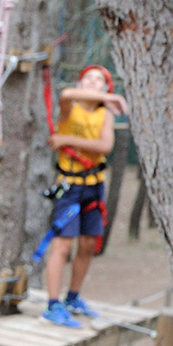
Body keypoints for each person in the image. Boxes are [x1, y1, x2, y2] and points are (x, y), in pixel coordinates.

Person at [41, 64, 129, 328]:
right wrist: (112, 97)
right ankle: (53, 304)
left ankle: (73, 297)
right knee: (63, 245)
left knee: (88, 244)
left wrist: (67, 140)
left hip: (94, 186)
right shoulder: (71, 108)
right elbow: (66, 95)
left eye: (99, 79)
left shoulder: (105, 116)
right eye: (88, 77)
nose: (92, 81)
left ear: (106, 87)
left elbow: (105, 146)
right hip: (70, 186)